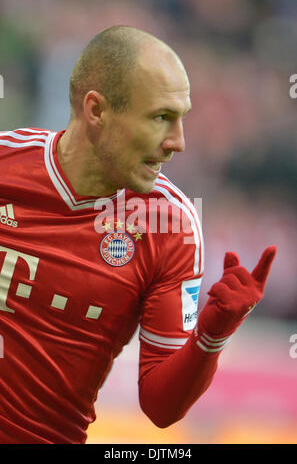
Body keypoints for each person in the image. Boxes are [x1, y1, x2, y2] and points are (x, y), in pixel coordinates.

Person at [0, 25, 276, 444]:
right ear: (96, 111)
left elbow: (161, 409)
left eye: (182, 118)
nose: (178, 142)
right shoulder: (7, 164)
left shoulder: (171, 227)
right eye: (161, 117)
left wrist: (213, 332)